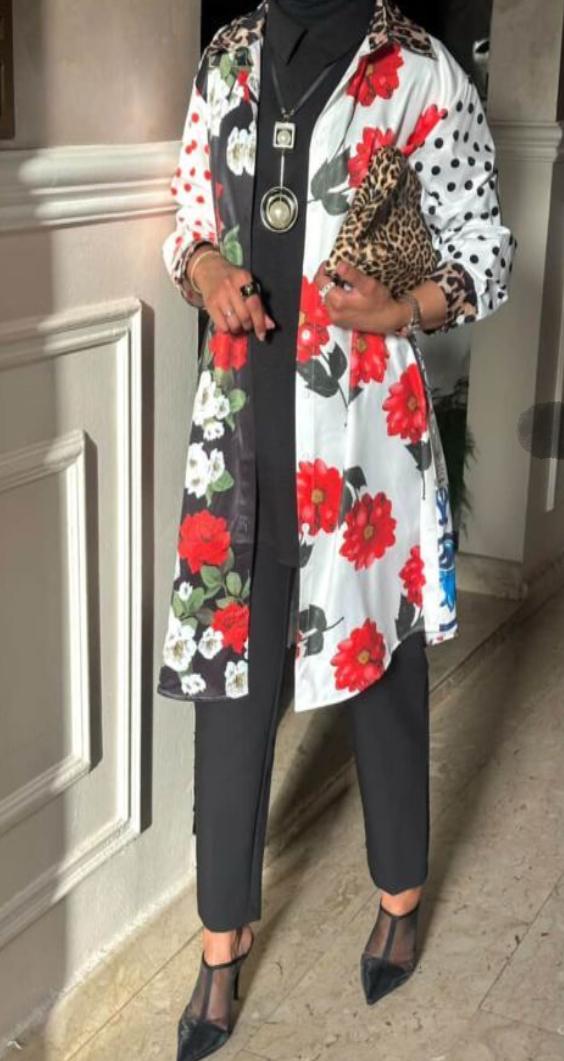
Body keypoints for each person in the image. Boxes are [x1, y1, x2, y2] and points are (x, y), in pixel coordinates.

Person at [156, 1, 516, 1057]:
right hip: (238, 436)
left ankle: (399, 892)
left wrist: (405, 309)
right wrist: (205, 272)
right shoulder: (228, 58)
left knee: (381, 672)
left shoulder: (421, 71)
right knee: (231, 688)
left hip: (362, 446)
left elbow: (486, 248)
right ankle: (221, 940)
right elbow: (188, 221)